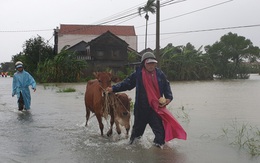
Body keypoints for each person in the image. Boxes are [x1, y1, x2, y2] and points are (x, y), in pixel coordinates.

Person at [106, 52, 187, 147]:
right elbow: (127, 83)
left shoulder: (160, 74)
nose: (151, 65)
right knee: (135, 139)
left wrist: (168, 98)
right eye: (148, 63)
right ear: (144, 63)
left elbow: (166, 86)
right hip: (141, 109)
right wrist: (113, 88)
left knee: (160, 136)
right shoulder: (138, 74)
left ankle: (158, 155)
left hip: (155, 109)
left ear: (155, 63)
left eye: (153, 63)